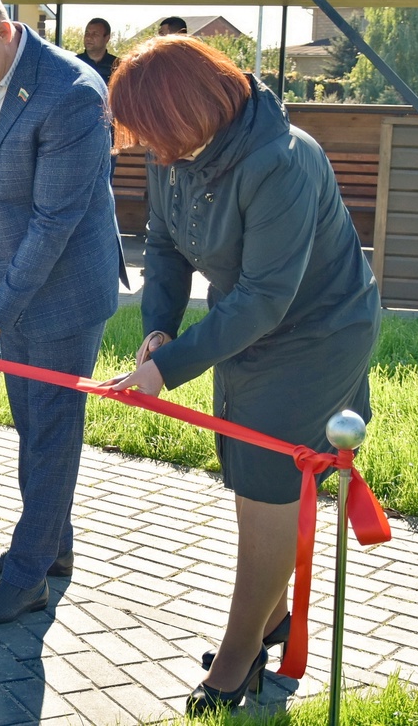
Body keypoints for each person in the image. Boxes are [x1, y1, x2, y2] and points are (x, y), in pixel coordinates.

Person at [106, 36, 381, 715]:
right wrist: (160, 327)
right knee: (252, 476)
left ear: (188, 109)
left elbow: (265, 296)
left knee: (267, 485)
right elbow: (164, 243)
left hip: (316, 335)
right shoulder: (177, 150)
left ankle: (234, 665)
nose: (149, 147)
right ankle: (272, 621)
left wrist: (166, 371)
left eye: (151, 130)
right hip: (250, 325)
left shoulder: (280, 161)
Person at [0, 0, 124, 625]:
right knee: (31, 423)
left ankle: (28, 575)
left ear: (7, 32)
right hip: (3, 283)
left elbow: (52, 224)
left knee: (50, 431)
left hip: (65, 290)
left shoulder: (72, 94)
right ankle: (50, 550)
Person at [75, 17, 119, 87]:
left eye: (95, 34)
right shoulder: (74, 63)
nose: (89, 37)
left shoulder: (118, 66)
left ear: (107, 38)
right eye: (87, 33)